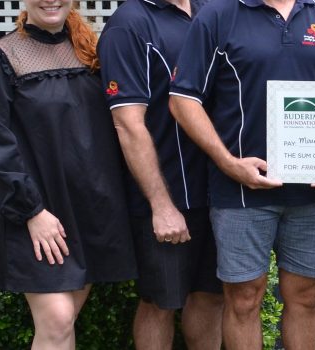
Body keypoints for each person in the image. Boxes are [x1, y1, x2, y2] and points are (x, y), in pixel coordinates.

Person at [167, 0, 315, 348]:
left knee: (306, 296)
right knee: (243, 299)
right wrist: (228, 162)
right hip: (240, 192)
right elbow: (183, 99)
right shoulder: (218, 15)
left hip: (311, 193)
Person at [0, 1, 137, 348]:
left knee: (62, 324)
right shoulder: (0, 58)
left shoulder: (91, 50)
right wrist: (32, 212)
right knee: (58, 321)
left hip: (91, 210)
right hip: (37, 212)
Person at [96, 0, 223, 349]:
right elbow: (127, 123)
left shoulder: (211, 10)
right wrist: (161, 204)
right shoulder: (129, 24)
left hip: (222, 191)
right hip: (167, 198)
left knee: (211, 297)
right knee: (160, 303)